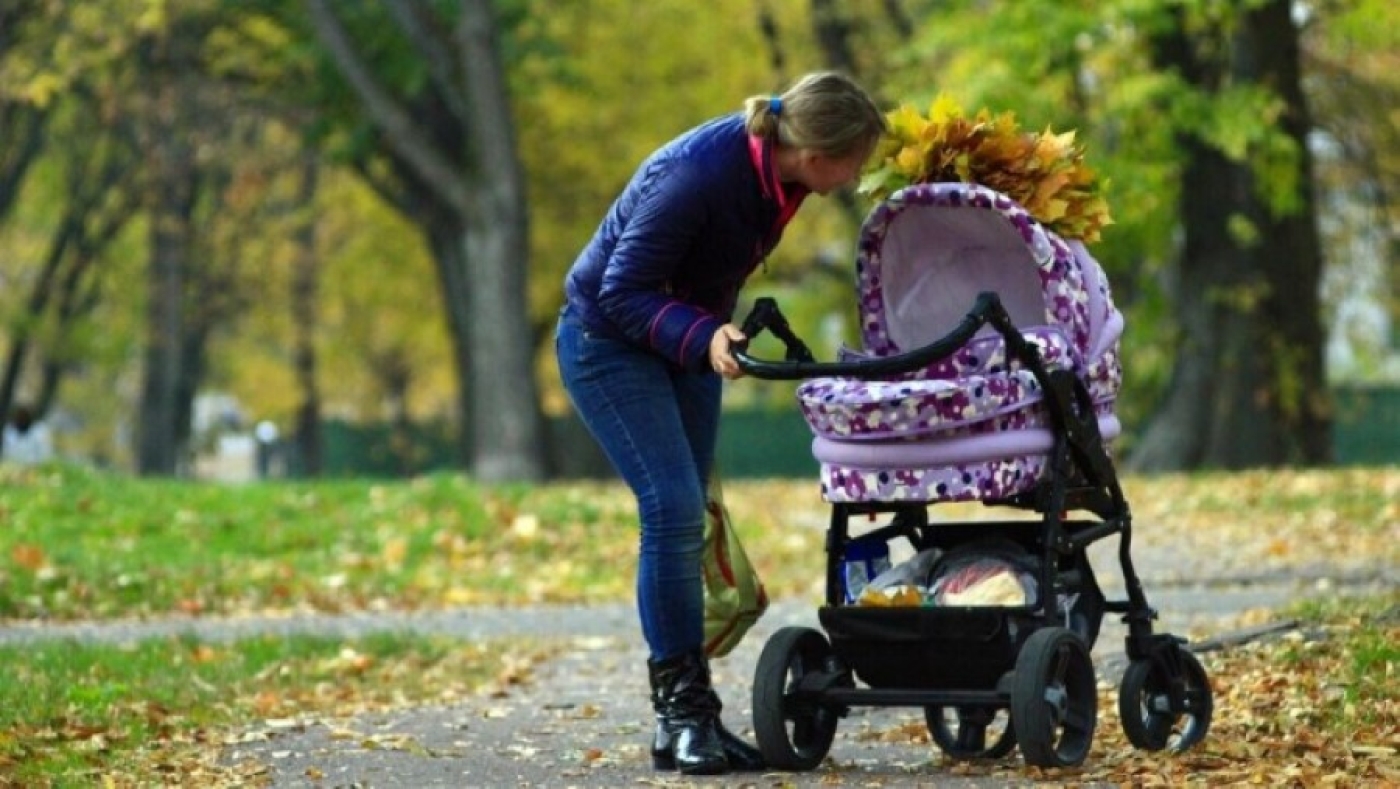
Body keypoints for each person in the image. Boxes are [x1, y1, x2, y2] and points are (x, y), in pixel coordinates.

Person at [555, 71, 886, 776]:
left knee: (694, 515)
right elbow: (619, 290)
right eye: (855, 162)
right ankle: (680, 715)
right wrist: (702, 335)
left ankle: (690, 719)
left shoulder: (784, 176)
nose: (853, 180)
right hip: (608, 342)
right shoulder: (699, 175)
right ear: (819, 149)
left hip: (685, 341)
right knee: (671, 510)